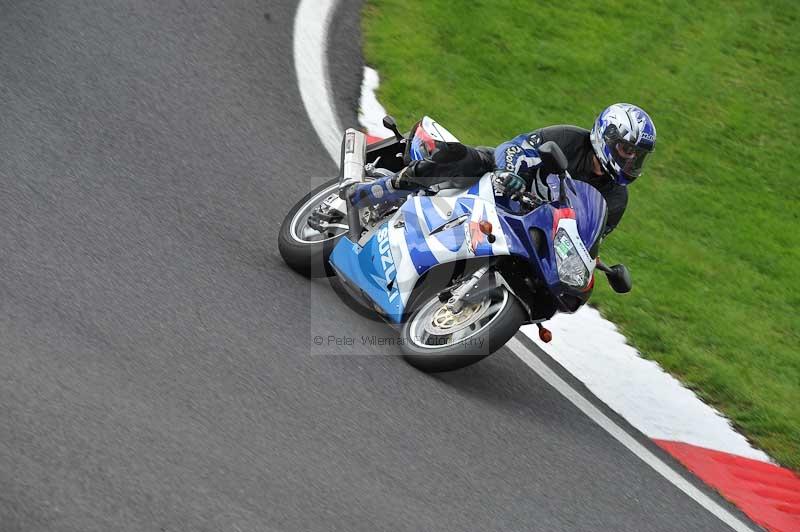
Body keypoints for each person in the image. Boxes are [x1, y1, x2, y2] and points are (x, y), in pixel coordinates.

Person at [348, 103, 656, 236]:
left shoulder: (617, 199)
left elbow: (591, 235)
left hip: (529, 223)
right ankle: (378, 190)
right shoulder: (569, 139)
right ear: (607, 136)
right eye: (627, 150)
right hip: (500, 184)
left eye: (637, 156)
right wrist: (511, 173)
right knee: (461, 158)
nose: (631, 160)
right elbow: (515, 146)